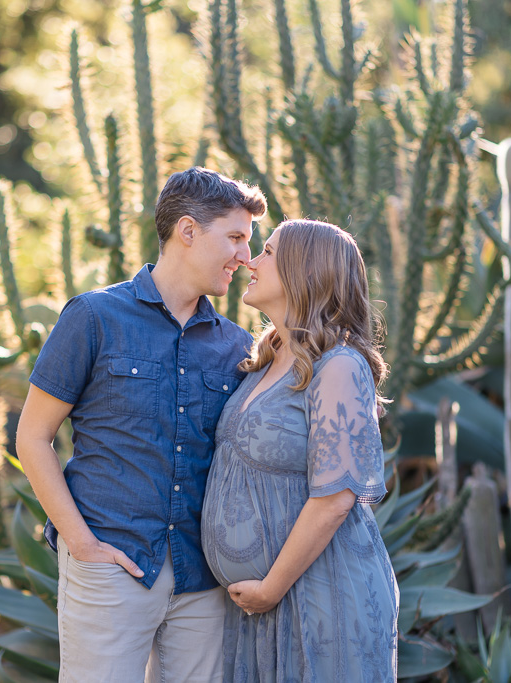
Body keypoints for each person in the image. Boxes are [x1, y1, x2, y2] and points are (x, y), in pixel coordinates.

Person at [16, 166, 267, 683]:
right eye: (237, 238)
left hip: (203, 579)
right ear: (188, 231)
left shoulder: (239, 348)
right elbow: (33, 437)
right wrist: (82, 545)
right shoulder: (93, 317)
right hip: (111, 562)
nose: (245, 257)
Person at [201, 219, 398, 682]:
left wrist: (271, 587)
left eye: (267, 252)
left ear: (303, 271)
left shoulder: (339, 366)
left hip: (319, 595)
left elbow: (334, 500)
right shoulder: (268, 357)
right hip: (261, 607)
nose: (251, 260)